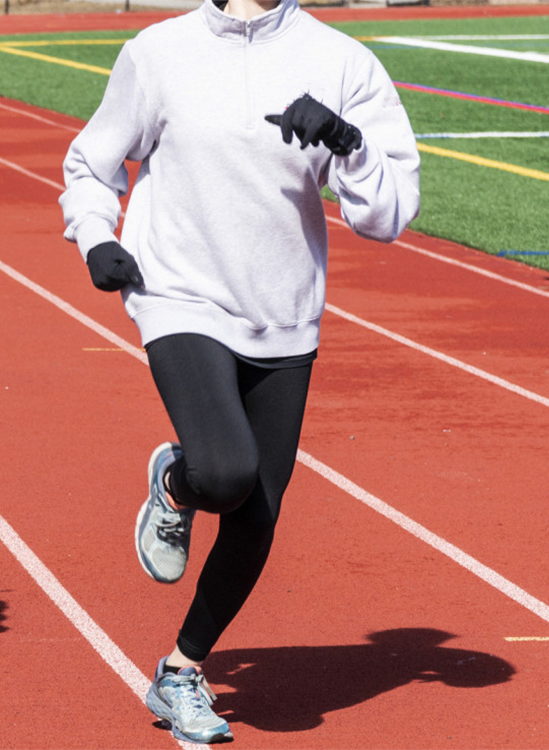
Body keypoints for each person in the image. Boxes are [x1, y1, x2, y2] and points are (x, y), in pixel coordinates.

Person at [59, 0, 419, 742]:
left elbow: (389, 216)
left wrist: (349, 146)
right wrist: (96, 235)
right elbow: (91, 161)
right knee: (224, 474)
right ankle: (179, 480)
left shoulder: (342, 60)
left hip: (284, 312)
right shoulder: (160, 52)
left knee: (256, 515)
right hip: (179, 293)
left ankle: (182, 671)